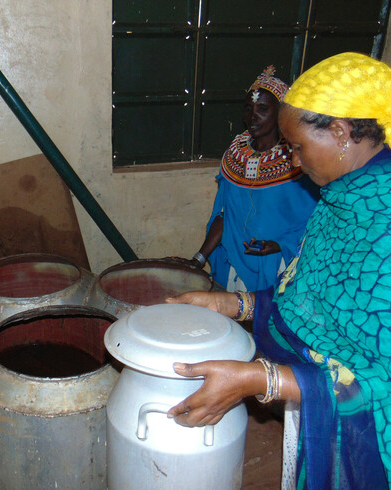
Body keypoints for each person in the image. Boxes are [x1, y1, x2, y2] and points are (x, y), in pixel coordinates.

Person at [166, 52, 391, 489]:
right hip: (319, 407)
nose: (292, 160)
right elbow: (312, 299)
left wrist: (259, 377)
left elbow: (382, 378)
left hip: (372, 444)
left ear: (342, 133)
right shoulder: (342, 200)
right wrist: (233, 303)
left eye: (299, 146)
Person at [191, 66, 319, 292]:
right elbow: (224, 216)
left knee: (267, 322)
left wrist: (280, 244)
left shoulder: (298, 160)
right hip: (235, 263)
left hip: (279, 265)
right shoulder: (235, 153)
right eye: (248, 108)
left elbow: (316, 223)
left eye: (263, 109)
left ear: (281, 112)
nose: (253, 116)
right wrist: (199, 259)